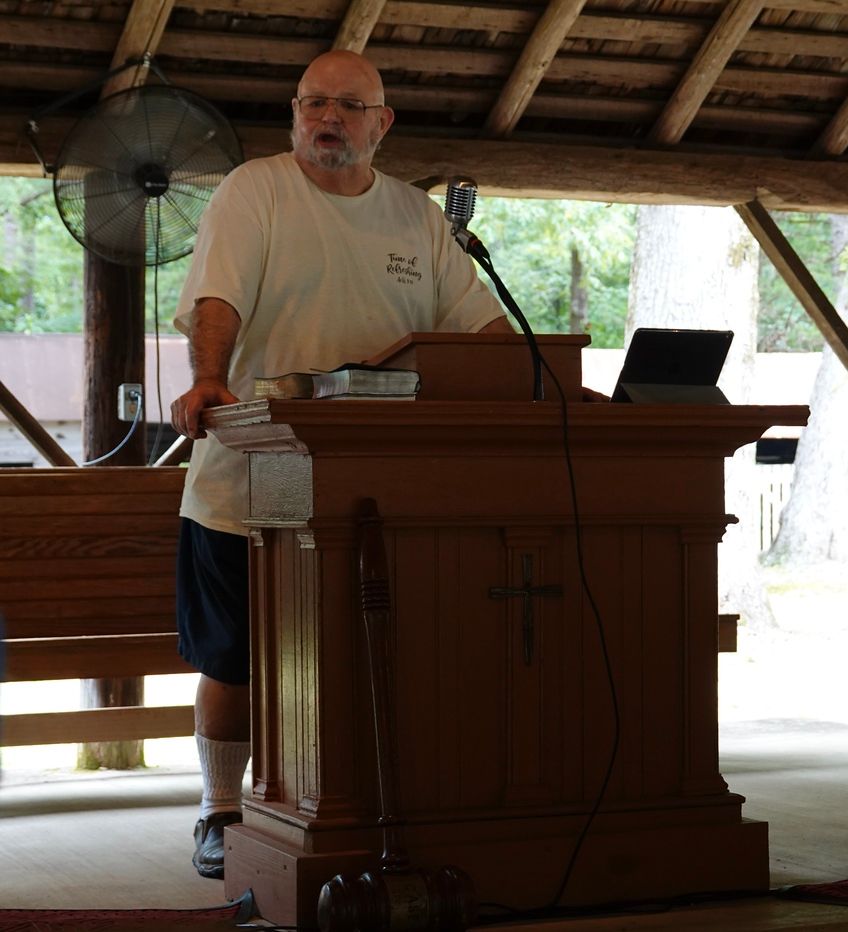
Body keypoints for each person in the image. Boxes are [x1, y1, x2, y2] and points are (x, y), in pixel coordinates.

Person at [169, 49, 512, 880]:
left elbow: (479, 325)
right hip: (252, 474)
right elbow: (217, 296)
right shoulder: (255, 190)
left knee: (372, 657)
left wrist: (545, 383)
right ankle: (221, 809)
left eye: (349, 106)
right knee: (235, 661)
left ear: (381, 123)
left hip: (382, 491)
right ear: (294, 114)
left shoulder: (416, 216)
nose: (328, 118)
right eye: (312, 102)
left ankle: (357, 807)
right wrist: (209, 377)